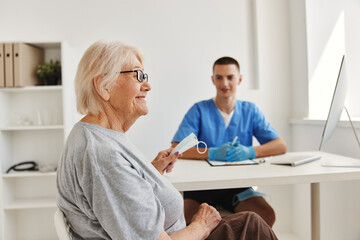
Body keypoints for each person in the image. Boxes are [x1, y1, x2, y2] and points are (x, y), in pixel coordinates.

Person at [56, 41, 278, 240]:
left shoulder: (98, 138)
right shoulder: (101, 153)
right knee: (252, 225)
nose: (147, 85)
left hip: (194, 219)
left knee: (255, 219)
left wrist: (150, 171)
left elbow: (119, 187)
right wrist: (200, 226)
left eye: (145, 77)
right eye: (138, 75)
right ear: (104, 86)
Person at [171, 56, 287, 227]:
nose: (225, 83)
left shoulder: (250, 111)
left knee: (266, 215)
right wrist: (212, 152)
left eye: (230, 77)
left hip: (237, 186)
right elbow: (175, 149)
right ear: (213, 80)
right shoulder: (198, 110)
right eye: (219, 77)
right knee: (186, 221)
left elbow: (280, 145)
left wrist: (251, 151)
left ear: (239, 79)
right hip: (200, 187)